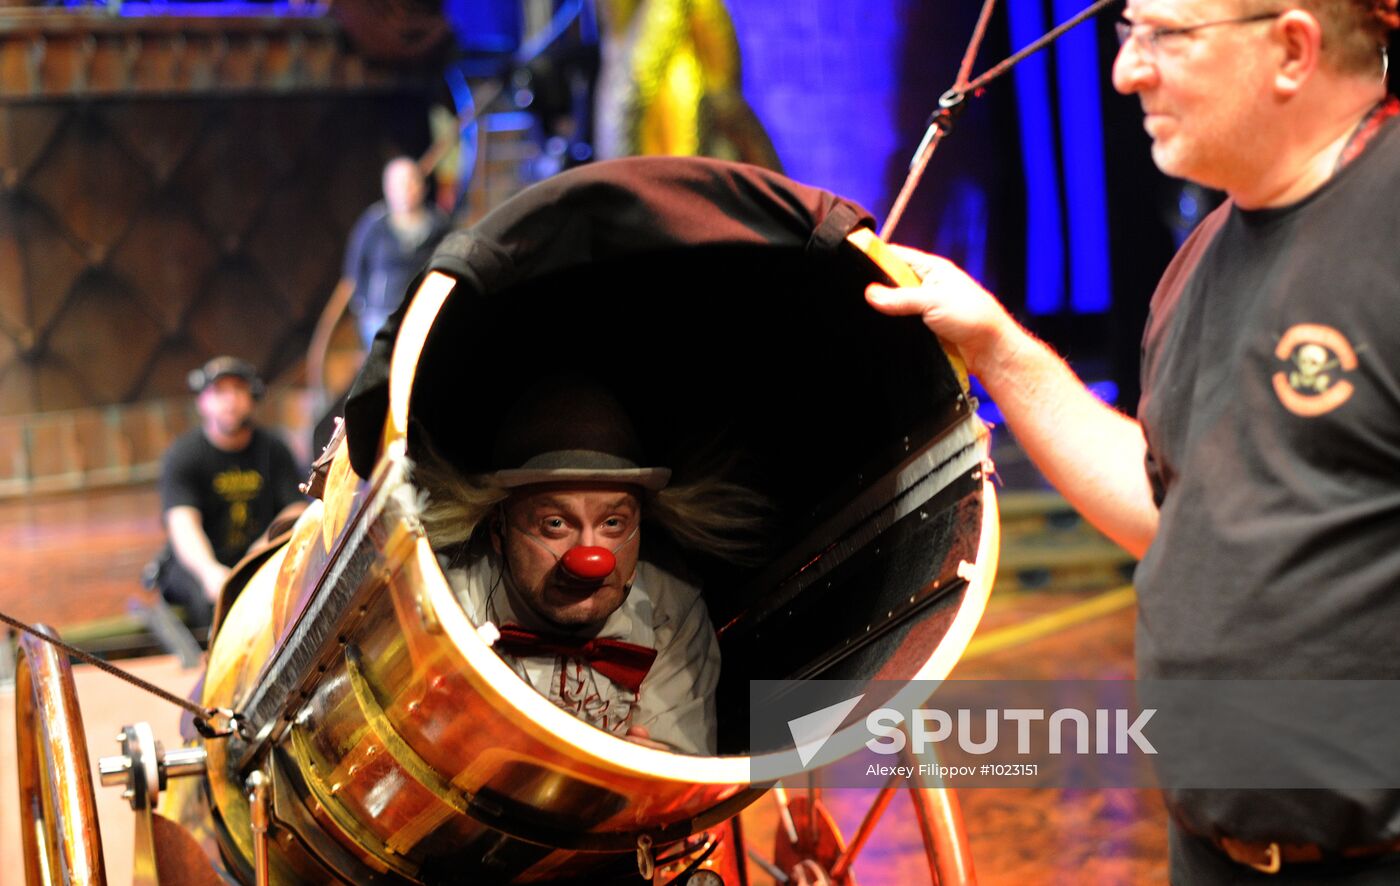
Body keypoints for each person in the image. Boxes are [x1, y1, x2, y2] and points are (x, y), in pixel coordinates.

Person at [866, 0, 1400, 880]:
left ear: (1293, 49)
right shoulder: (1199, 263)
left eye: (1165, 36)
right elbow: (1173, 511)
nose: (1127, 71)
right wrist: (995, 344)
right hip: (1215, 852)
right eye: (1128, 35)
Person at [413, 379, 766, 756]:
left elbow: (670, 774)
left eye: (612, 523)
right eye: (556, 523)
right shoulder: (443, 603)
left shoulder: (671, 613)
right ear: (500, 529)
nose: (588, 558)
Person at [153, 357, 305, 630]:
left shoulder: (274, 448)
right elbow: (183, 524)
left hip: (257, 557)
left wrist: (261, 549)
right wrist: (209, 571)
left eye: (238, 389)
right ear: (202, 401)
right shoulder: (183, 454)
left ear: (252, 396)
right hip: (204, 562)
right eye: (219, 391)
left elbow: (296, 508)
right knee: (211, 603)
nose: (230, 400)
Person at [339, 157, 452, 347]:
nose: (405, 190)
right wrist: (363, 306)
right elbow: (354, 267)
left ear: (422, 185)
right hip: (383, 316)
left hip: (426, 312)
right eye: (398, 184)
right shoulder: (374, 224)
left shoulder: (439, 224)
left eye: (411, 182)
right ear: (387, 188)